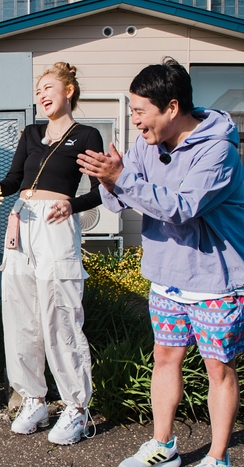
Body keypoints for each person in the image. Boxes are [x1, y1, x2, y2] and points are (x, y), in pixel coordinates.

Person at [78, 58, 244, 467]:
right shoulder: (145, 146)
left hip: (215, 282)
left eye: (139, 111)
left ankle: (217, 457)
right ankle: (163, 446)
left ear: (171, 107)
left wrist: (122, 180)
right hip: (167, 278)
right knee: (165, 359)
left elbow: (180, 208)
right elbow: (119, 201)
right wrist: (107, 180)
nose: (134, 120)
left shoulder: (218, 150)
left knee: (218, 370)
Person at [0, 62, 103, 445]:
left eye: (48, 87)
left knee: (60, 314)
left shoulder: (87, 134)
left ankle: (76, 407)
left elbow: (103, 189)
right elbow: (15, 177)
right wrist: (0, 188)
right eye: (38, 91)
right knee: (19, 313)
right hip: (21, 222)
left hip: (56, 223)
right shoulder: (32, 133)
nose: (41, 95)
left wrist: (73, 204)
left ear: (69, 91)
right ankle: (33, 398)